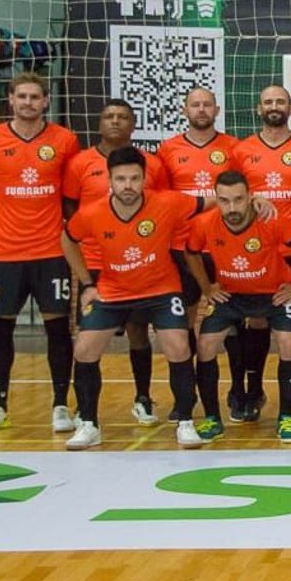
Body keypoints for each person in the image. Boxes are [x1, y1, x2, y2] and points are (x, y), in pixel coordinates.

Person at [61, 147, 207, 450]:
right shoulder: (92, 213)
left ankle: (185, 422)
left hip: (161, 290)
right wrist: (88, 282)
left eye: (134, 178)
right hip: (114, 291)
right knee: (85, 349)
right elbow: (68, 239)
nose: (128, 185)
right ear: (110, 181)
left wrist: (255, 200)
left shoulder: (168, 202)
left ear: (144, 180)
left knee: (179, 345)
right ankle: (89, 424)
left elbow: (213, 199)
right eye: (121, 179)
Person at [0, 72, 80, 435]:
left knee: (57, 329)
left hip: (51, 251)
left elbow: (69, 197)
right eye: (22, 96)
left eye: (35, 97)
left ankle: (61, 405)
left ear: (46, 101)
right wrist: (9, 223)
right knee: (0, 329)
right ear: (11, 100)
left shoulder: (65, 140)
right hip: (5, 253)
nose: (29, 102)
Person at [61, 99, 169, 426]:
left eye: (123, 117)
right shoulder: (80, 163)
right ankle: (84, 407)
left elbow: (162, 209)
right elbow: (69, 213)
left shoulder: (152, 165)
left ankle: (143, 397)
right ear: (99, 123)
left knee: (138, 330)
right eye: (109, 116)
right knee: (90, 335)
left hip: (137, 264)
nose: (115, 122)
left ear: (133, 124)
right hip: (96, 262)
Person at [184, 171, 291, 444]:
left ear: (250, 197)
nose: (232, 208)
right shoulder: (205, 223)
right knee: (205, 344)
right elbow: (191, 252)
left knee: (289, 342)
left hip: (273, 295)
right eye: (225, 201)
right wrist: (207, 288)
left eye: (238, 200)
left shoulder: (270, 218)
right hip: (232, 296)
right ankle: (212, 419)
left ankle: (286, 417)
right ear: (216, 199)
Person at [230, 85, 291, 422]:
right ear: (259, 109)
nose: (274, 106)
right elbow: (234, 199)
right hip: (259, 250)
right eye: (268, 101)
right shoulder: (242, 150)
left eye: (280, 101)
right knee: (257, 319)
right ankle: (253, 391)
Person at [155, 87, 242, 422]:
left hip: (225, 247)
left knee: (233, 323)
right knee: (184, 325)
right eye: (195, 104)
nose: (202, 109)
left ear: (217, 109)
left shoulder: (233, 147)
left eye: (207, 104)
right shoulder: (168, 150)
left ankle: (238, 393)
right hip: (182, 249)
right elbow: (162, 202)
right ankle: (185, 397)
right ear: (184, 109)